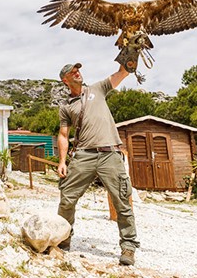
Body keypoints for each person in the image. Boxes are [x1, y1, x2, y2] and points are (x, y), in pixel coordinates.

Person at [56, 62, 139, 266]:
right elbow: (63, 135)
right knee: (67, 198)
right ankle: (63, 239)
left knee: (122, 200)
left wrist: (128, 58)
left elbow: (122, 73)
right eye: (72, 72)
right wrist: (62, 161)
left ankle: (128, 246)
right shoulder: (66, 107)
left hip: (110, 152)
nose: (77, 73)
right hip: (83, 155)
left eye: (78, 70)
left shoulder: (98, 88)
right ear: (65, 80)